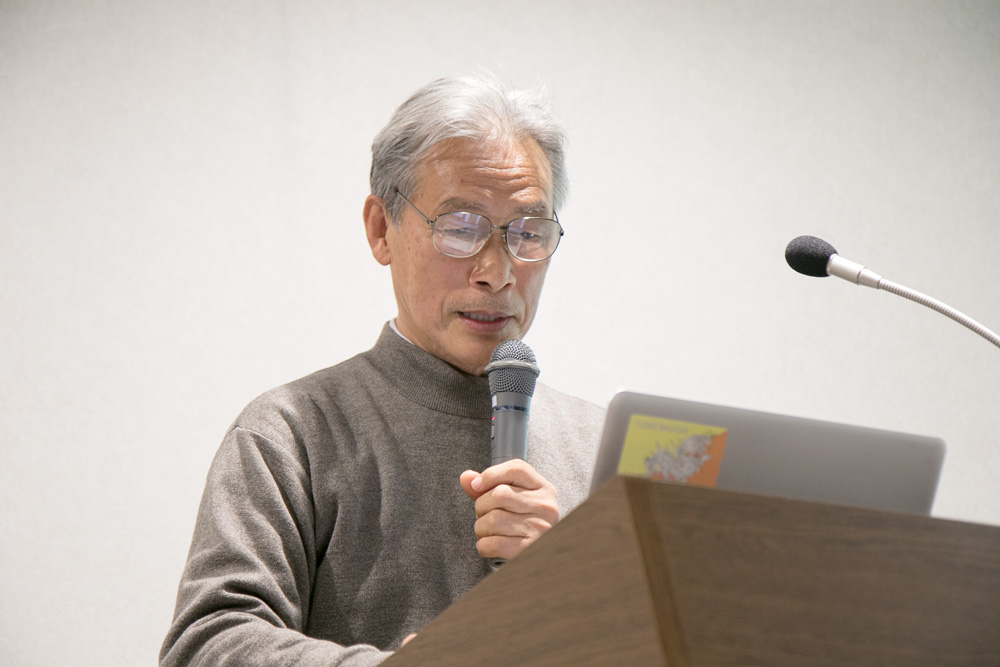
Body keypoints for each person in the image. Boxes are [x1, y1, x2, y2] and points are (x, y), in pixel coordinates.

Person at [160, 73, 605, 666]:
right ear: (380, 229)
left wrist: (572, 587)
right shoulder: (289, 433)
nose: (497, 273)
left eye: (527, 232)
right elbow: (206, 644)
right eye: (461, 227)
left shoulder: (602, 448)